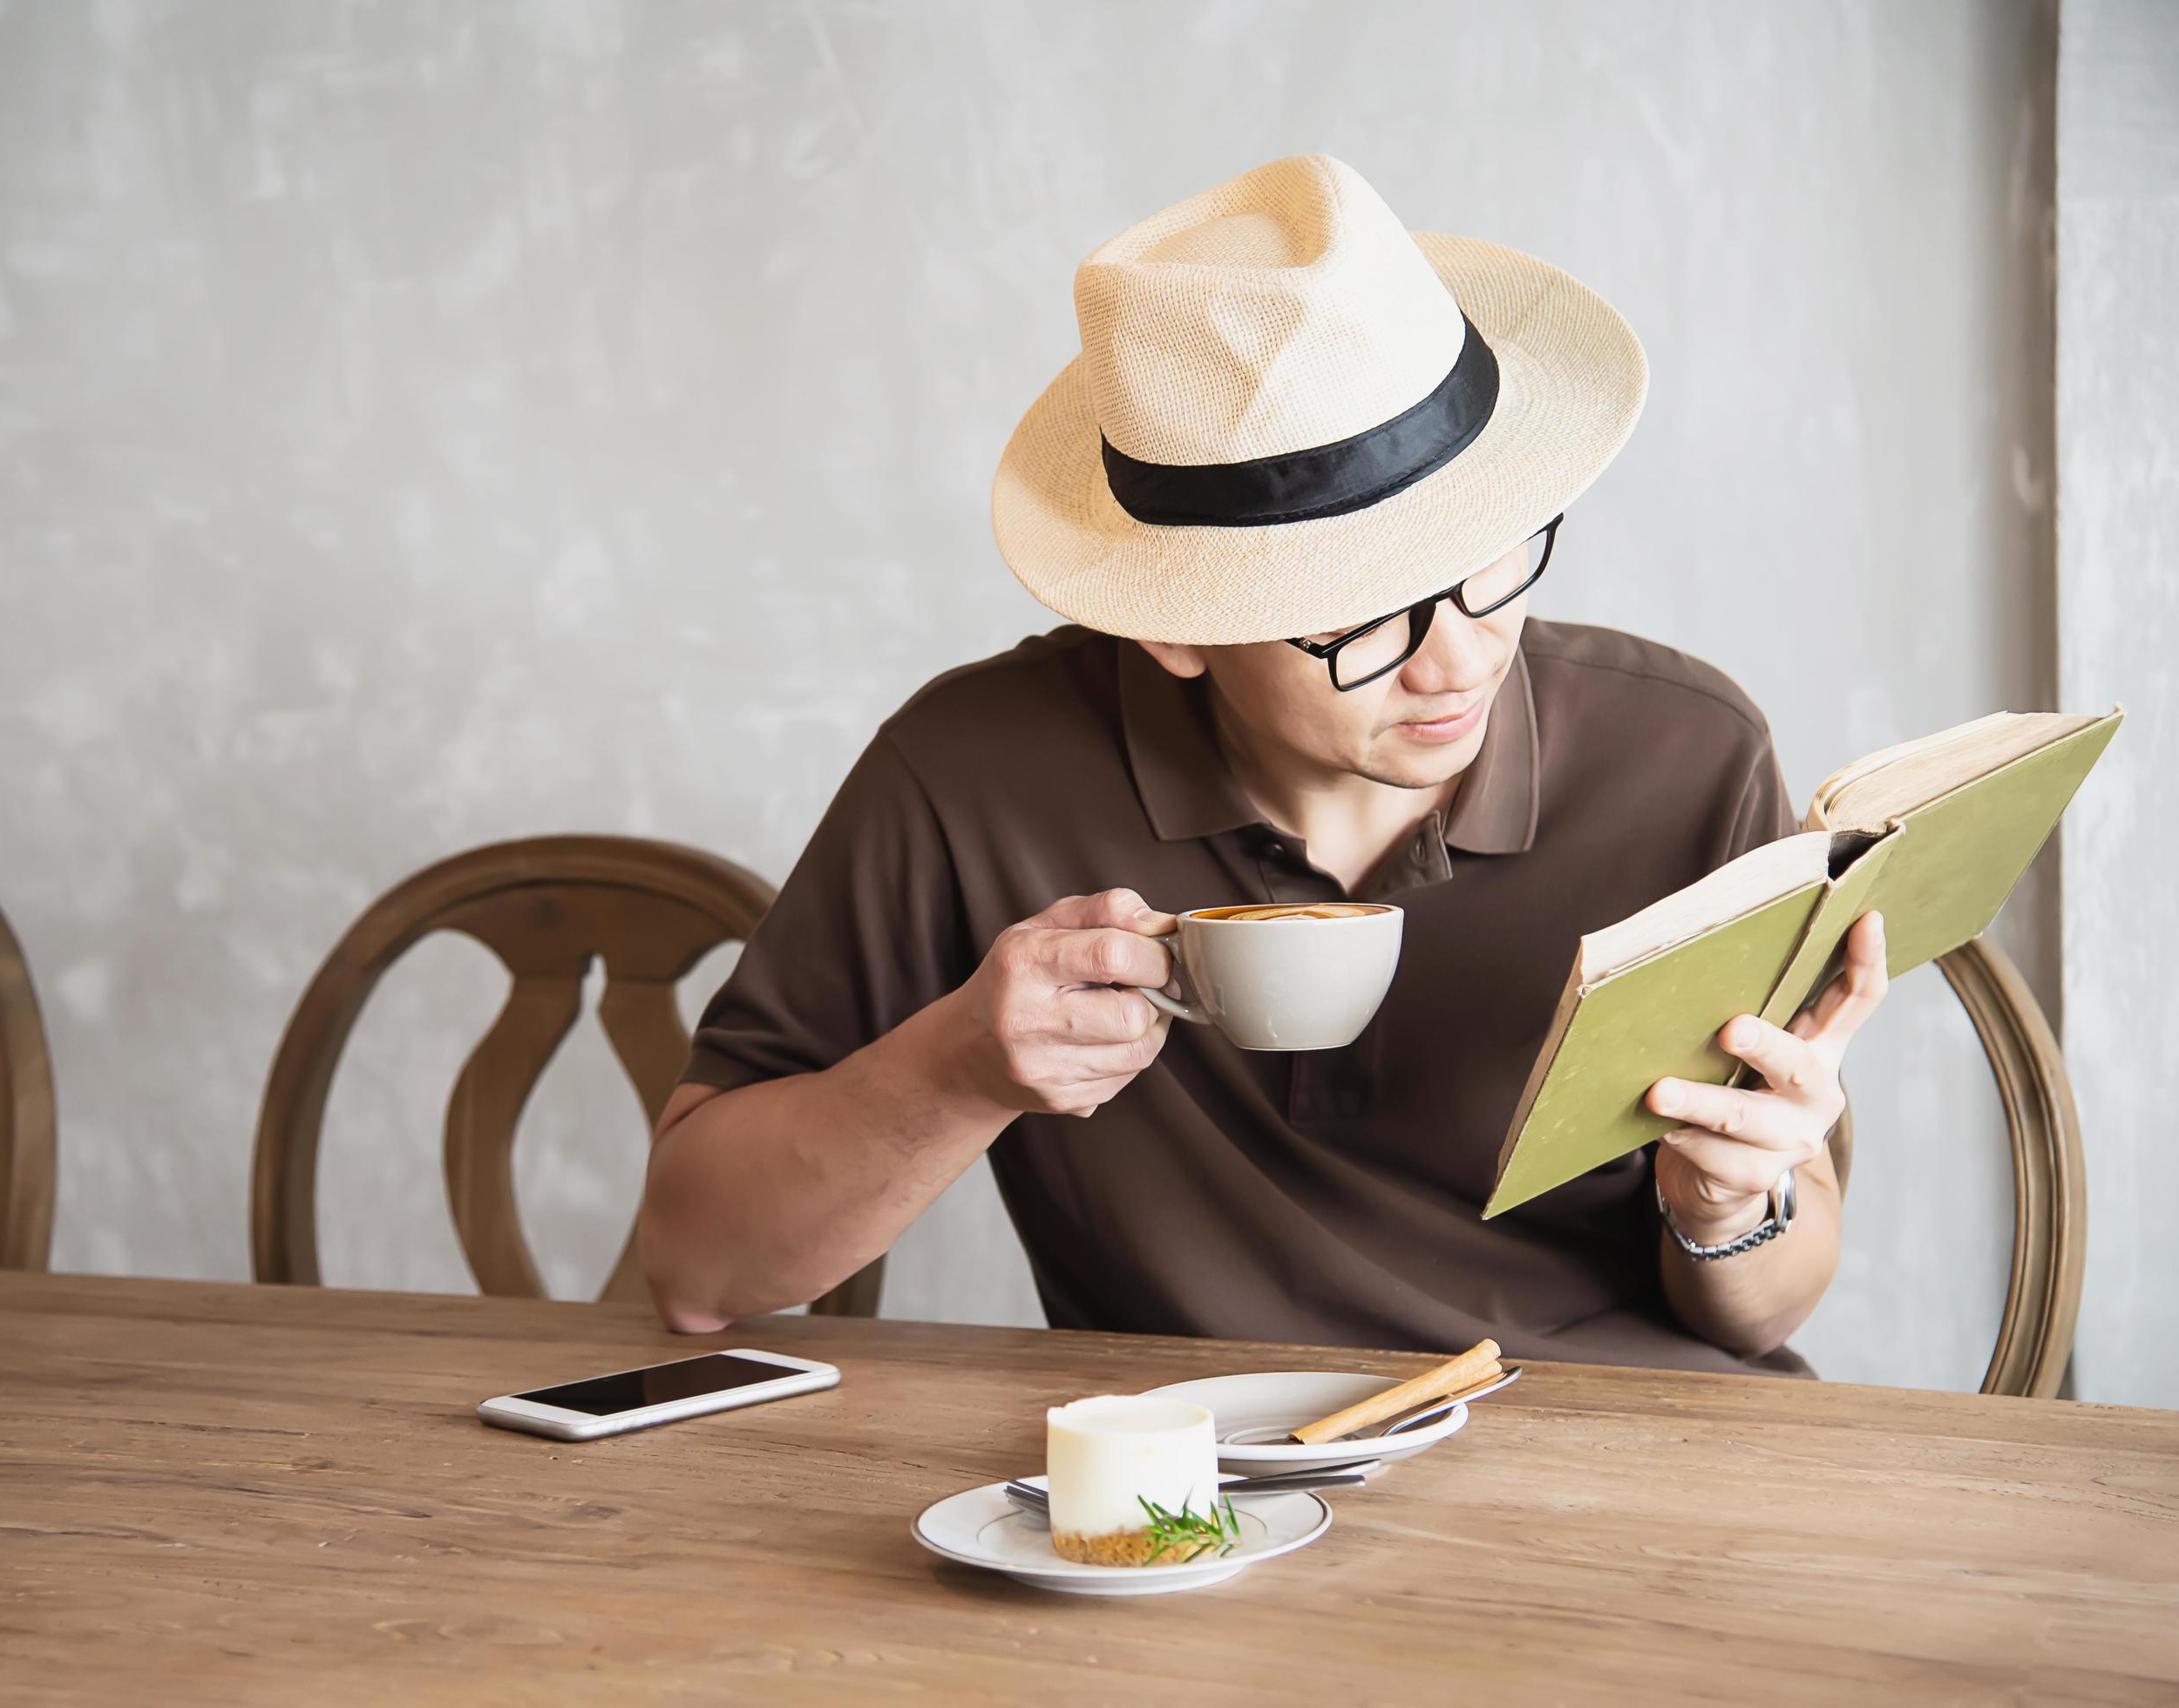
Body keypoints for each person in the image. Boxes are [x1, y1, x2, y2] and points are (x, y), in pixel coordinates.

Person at [639, 155, 1885, 1375]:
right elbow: (700, 1273)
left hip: (1634, 1473)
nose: (1457, 662)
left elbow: (1763, 1319)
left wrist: (1731, 1206)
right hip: (1207, 1505)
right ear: (1177, 624)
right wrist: (959, 1068)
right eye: (1364, 617)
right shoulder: (974, 775)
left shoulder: (1686, 753)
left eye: (1489, 563)